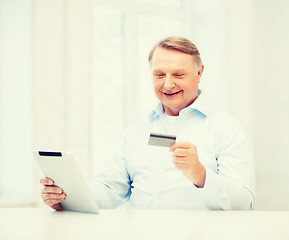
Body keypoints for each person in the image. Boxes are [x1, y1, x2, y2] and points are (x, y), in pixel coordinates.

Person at [40, 36, 255, 210]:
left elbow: (244, 204)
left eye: (178, 74)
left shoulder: (227, 129)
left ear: (199, 73)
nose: (168, 84)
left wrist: (201, 175)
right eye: (159, 75)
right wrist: (66, 197)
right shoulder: (137, 130)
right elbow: (110, 188)